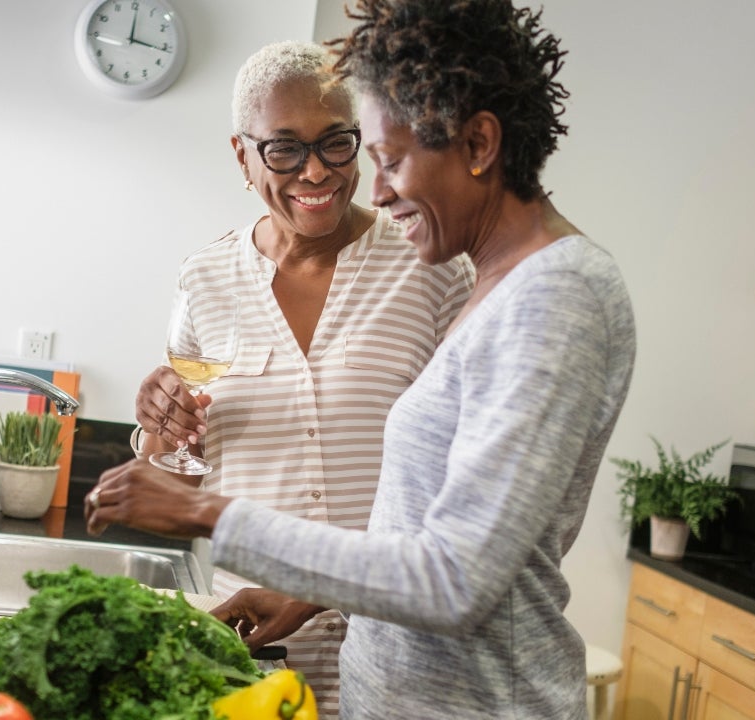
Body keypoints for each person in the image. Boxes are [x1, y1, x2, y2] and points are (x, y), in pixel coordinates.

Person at [88, 1, 636, 716]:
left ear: (478, 143)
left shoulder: (555, 297)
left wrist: (207, 513)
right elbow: (433, 529)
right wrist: (307, 589)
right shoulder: (504, 289)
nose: (372, 192)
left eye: (389, 158)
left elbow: (455, 581)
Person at [126, 40, 474, 717]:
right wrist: (159, 425)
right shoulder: (205, 281)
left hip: (400, 663)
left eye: (335, 144)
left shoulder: (429, 265)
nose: (314, 172)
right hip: (252, 659)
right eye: (283, 149)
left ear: (362, 143)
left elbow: (460, 480)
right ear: (242, 156)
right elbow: (182, 471)